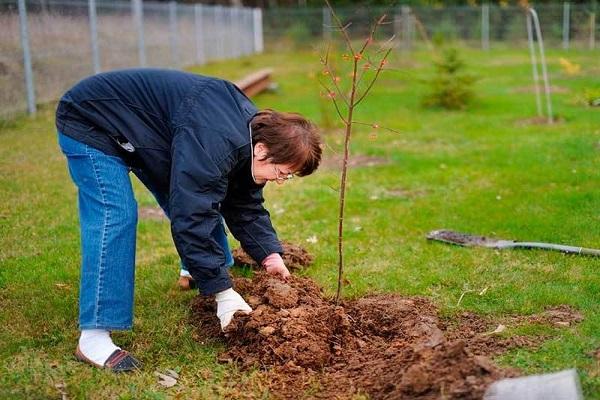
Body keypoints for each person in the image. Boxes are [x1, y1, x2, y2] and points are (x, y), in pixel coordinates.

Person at [55, 68, 322, 372]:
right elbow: (192, 214)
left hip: (148, 131)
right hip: (93, 118)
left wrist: (269, 255)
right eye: (282, 173)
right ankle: (93, 336)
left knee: (197, 194)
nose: (281, 181)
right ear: (262, 150)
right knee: (116, 215)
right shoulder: (217, 142)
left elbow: (244, 203)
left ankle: (197, 272)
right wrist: (223, 291)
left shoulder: (249, 139)